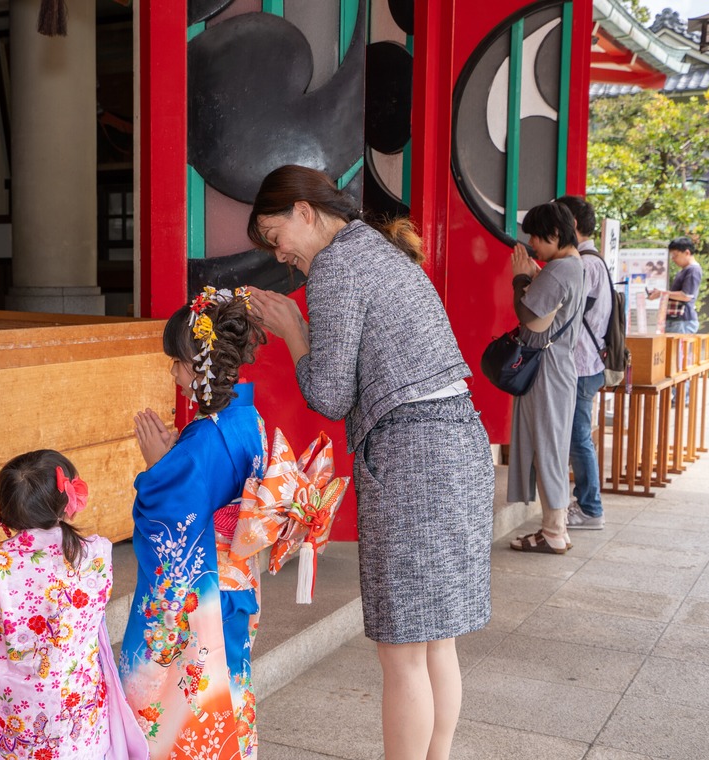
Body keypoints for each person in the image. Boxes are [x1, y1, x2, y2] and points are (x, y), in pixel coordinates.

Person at [244, 164, 493, 760]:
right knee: (437, 642)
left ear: (304, 212)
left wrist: (293, 329)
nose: (281, 256)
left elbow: (329, 396)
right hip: (459, 442)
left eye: (277, 238)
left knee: (402, 650)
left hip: (413, 456)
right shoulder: (378, 250)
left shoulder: (335, 265)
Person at [120, 288, 267, 760]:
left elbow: (169, 520)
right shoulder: (247, 418)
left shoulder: (204, 439)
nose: (174, 374)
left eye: (178, 363)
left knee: (189, 702)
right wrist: (176, 458)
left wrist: (158, 468)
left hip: (206, 587)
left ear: (202, 364)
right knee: (229, 686)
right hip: (237, 581)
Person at [0, 449, 148, 760]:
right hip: (78, 692)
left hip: (20, 705)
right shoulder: (96, 553)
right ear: (66, 502)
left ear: (7, 508)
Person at [507, 202, 586, 554]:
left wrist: (521, 279)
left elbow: (529, 316)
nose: (533, 244)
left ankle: (553, 531)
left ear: (554, 234)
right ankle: (557, 529)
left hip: (546, 370)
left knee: (547, 449)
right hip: (560, 367)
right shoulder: (575, 265)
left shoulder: (559, 270)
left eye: (537, 237)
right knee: (552, 445)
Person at [554, 195, 609, 531]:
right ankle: (587, 504)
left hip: (581, 365)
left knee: (578, 439)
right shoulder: (593, 260)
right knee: (578, 437)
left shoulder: (585, 264)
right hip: (588, 364)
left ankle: (590, 508)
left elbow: (564, 308)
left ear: (571, 224)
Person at [650, 237, 702, 334]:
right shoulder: (685, 270)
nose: (673, 259)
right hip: (677, 319)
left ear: (687, 253)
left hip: (682, 320)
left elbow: (686, 296)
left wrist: (662, 293)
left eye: (675, 255)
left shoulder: (693, 270)